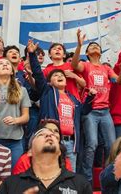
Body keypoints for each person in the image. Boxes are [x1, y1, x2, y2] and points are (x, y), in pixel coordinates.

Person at [26, 39, 95, 170]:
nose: (60, 75)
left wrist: (91, 96)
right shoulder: (48, 92)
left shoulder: (73, 99)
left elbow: (84, 111)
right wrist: (32, 54)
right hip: (51, 139)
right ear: (49, 82)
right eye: (55, 75)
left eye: (62, 75)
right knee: (49, 172)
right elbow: (38, 74)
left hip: (70, 143)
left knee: (69, 177)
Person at [71, 29, 121, 183]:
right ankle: (86, 181)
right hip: (91, 112)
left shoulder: (106, 69)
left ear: (101, 53)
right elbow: (74, 64)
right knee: (92, 144)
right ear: (87, 52)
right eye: (91, 46)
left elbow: (119, 81)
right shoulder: (85, 65)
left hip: (105, 111)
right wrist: (79, 46)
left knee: (111, 145)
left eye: (97, 46)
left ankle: (110, 178)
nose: (95, 47)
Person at [0, 125, 92, 193]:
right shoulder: (10, 184)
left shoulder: (81, 184)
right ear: (29, 152)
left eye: (54, 135)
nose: (49, 135)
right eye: (41, 135)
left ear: (59, 151)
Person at [0, 58, 31, 168]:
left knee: (13, 176)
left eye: (8, 64)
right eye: (0, 63)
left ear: (12, 71)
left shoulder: (22, 90)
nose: (5, 65)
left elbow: (26, 116)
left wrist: (16, 120)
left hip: (15, 141)